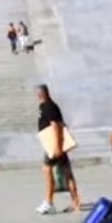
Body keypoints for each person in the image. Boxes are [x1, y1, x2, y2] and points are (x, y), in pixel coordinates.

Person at [35, 85, 82, 215]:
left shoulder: (47, 106)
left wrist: (57, 146)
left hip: (53, 144)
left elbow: (56, 125)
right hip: (55, 143)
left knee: (46, 169)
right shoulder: (51, 105)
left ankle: (49, 202)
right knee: (67, 172)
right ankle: (75, 201)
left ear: (39, 95)